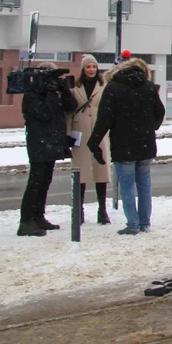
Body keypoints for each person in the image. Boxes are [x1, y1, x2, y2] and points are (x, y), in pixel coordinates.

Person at [87, 57, 166, 236]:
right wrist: (150, 126)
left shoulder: (113, 89)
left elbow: (104, 120)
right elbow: (160, 112)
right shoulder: (149, 88)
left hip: (123, 145)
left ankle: (133, 224)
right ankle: (145, 222)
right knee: (144, 183)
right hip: (146, 143)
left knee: (127, 185)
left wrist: (94, 142)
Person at [17, 62, 76, 236]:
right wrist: (51, 93)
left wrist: (63, 90)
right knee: (35, 183)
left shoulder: (52, 94)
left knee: (44, 182)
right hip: (39, 143)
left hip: (52, 142)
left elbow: (71, 105)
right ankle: (26, 222)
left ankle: (38, 216)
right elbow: (45, 113)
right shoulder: (31, 95)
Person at [67, 54, 111, 225]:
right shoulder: (75, 87)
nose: (91, 70)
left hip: (100, 132)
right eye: (88, 67)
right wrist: (68, 133)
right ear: (83, 69)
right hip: (81, 131)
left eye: (93, 66)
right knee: (81, 171)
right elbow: (70, 112)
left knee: (101, 170)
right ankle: (79, 210)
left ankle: (102, 209)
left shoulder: (104, 86)